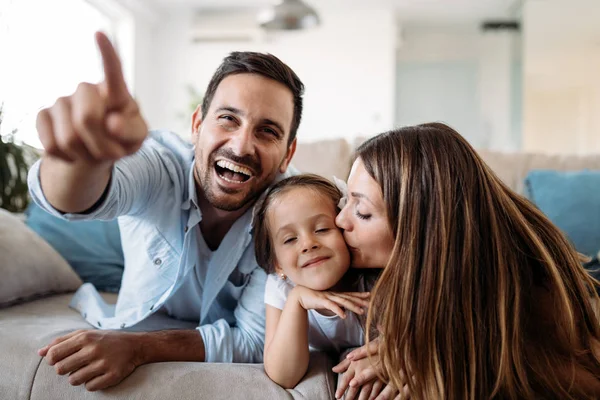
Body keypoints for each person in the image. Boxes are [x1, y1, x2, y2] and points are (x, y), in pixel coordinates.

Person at [27, 31, 304, 391]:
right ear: (197, 125)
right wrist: (80, 162)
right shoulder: (159, 165)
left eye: (267, 131)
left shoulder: (294, 212)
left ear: (288, 153)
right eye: (227, 119)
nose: (241, 146)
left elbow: (253, 339)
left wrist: (141, 348)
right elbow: (77, 199)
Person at [333, 123, 600, 399]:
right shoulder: (364, 263)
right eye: (346, 202)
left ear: (422, 229)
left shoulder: (529, 276)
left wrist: (430, 355)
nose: (340, 220)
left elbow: (589, 379)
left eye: (362, 211)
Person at [252, 174, 369, 389]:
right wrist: (296, 300)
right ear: (278, 264)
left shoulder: (370, 278)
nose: (308, 244)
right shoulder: (281, 287)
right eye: (290, 239)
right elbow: (284, 375)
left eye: (322, 229)